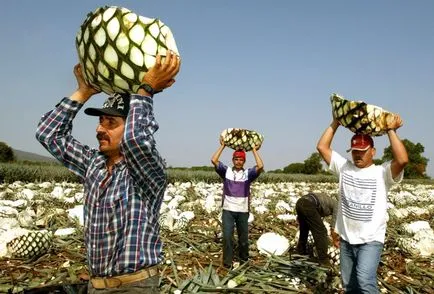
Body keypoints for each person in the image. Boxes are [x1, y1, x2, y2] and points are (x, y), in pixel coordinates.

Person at [36, 51, 181, 293]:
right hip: (97, 286)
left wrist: (145, 89)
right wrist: (83, 92)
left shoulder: (146, 171)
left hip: (135, 286)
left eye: (110, 123)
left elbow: (137, 140)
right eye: (100, 121)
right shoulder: (93, 164)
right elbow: (48, 134)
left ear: (131, 123)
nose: (99, 129)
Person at [316, 117, 408, 293]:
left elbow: (402, 160)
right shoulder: (344, 168)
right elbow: (322, 147)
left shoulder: (382, 173)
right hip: (346, 239)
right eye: (355, 151)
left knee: (365, 281)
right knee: (350, 286)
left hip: (371, 240)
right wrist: (336, 122)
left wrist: (391, 130)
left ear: (373, 151)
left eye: (362, 151)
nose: (358, 155)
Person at [211, 138, 264, 268]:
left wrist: (253, 150)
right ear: (233, 160)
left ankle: (244, 262)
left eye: (241, 159)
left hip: (243, 210)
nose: (238, 161)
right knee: (228, 237)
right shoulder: (226, 171)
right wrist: (223, 146)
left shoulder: (248, 174)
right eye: (236, 159)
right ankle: (227, 263)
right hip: (228, 210)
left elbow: (260, 166)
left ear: (244, 161)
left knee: (243, 239)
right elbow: (214, 160)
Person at [295, 192, 337, 266]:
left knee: (304, 230)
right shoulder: (337, 205)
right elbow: (333, 227)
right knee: (321, 231)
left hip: (300, 202)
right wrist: (334, 239)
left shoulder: (328, 200)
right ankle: (323, 260)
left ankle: (300, 252)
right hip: (308, 204)